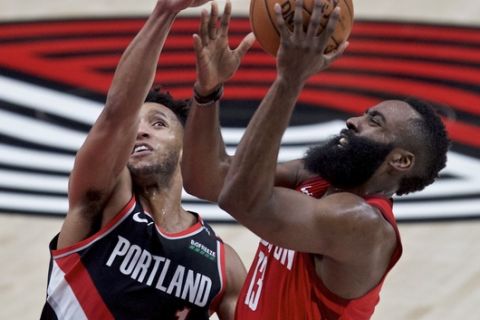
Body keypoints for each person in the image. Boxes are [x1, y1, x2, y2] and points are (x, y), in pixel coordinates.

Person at [182, 0, 450, 319]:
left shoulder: (364, 226)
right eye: (364, 114)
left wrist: (289, 81)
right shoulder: (317, 177)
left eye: (374, 122)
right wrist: (208, 90)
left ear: (401, 161)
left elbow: (240, 199)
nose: (353, 120)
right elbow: (207, 178)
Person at [40, 1, 255, 319]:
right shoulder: (101, 204)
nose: (140, 133)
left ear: (185, 146)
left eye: (158, 124)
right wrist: (165, 12)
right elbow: (117, 113)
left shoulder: (223, 266)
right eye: (134, 127)